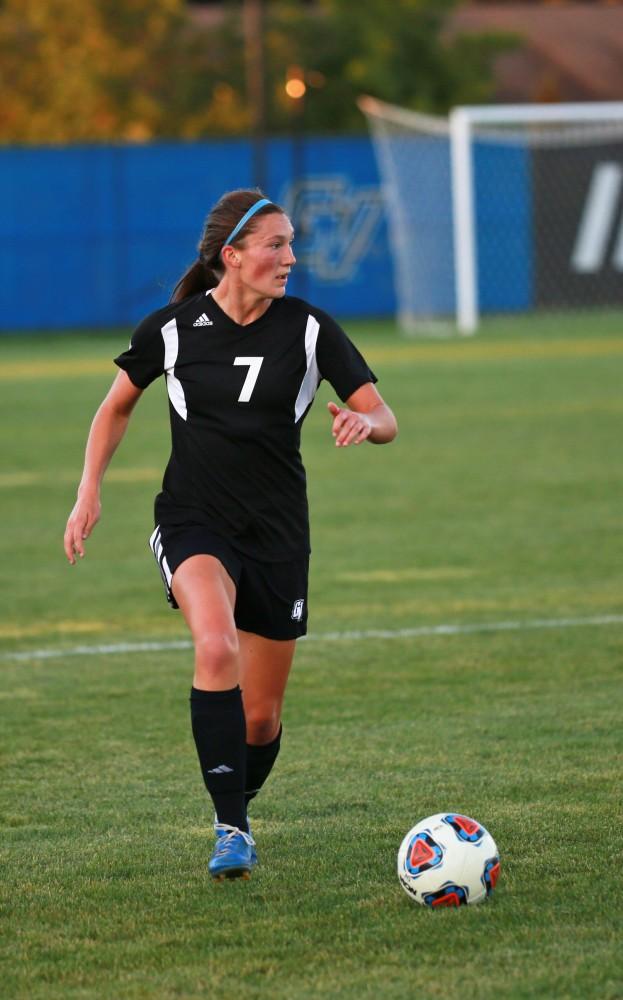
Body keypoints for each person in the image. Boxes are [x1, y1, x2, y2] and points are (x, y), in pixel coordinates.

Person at [64, 189, 397, 881]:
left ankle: (234, 796)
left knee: (261, 719)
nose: (290, 258)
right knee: (214, 646)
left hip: (277, 532)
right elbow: (115, 405)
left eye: (290, 243)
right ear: (232, 255)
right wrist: (88, 489)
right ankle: (231, 830)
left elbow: (384, 414)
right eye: (276, 245)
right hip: (194, 520)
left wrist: (366, 424)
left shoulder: (309, 330)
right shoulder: (175, 328)